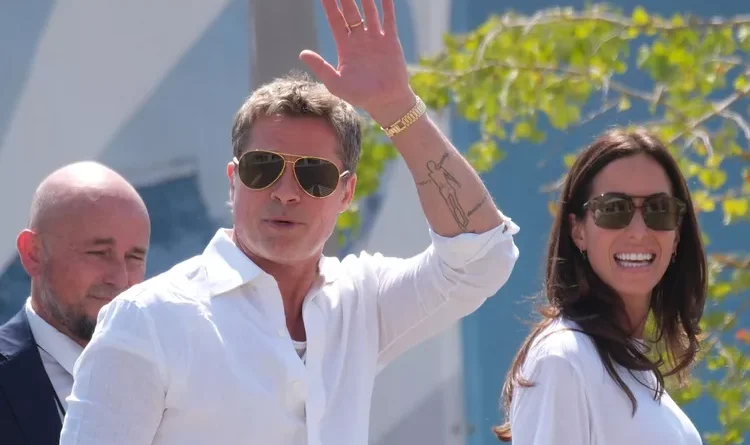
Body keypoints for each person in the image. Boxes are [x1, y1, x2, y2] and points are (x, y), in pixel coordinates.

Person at [59, 0, 520, 444]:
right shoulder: (148, 319)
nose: (285, 191)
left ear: (346, 193)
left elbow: (482, 258)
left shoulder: (358, 301)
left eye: (313, 175)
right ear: (234, 180)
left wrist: (397, 107)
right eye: (263, 167)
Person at [494, 129, 705, 444]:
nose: (638, 231)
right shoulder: (563, 359)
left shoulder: (631, 367)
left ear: (676, 234)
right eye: (613, 209)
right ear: (578, 230)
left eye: (658, 210)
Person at [0, 162, 150, 445]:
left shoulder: (175, 375)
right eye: (98, 253)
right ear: (33, 254)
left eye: (134, 257)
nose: (119, 278)